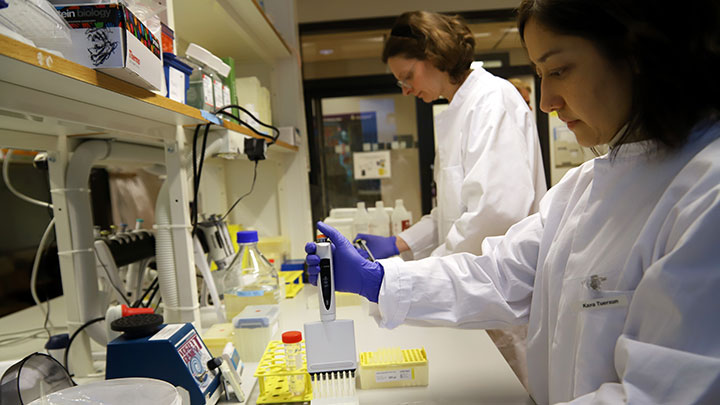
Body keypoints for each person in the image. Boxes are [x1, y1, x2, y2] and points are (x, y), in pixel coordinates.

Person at [307, 0, 720, 403]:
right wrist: (378, 280)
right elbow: (500, 273)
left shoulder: (706, 192)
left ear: (639, 54)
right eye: (541, 74)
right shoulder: (584, 186)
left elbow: (661, 392)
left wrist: (399, 262)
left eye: (558, 70)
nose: (545, 102)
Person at [353, 11, 547, 387]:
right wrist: (401, 243)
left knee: (512, 391)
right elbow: (451, 211)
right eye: (399, 83)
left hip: (499, 296)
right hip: (473, 291)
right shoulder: (457, 109)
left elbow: (495, 213)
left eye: (408, 76)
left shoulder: (492, 100)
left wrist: (415, 275)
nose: (406, 89)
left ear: (436, 55)